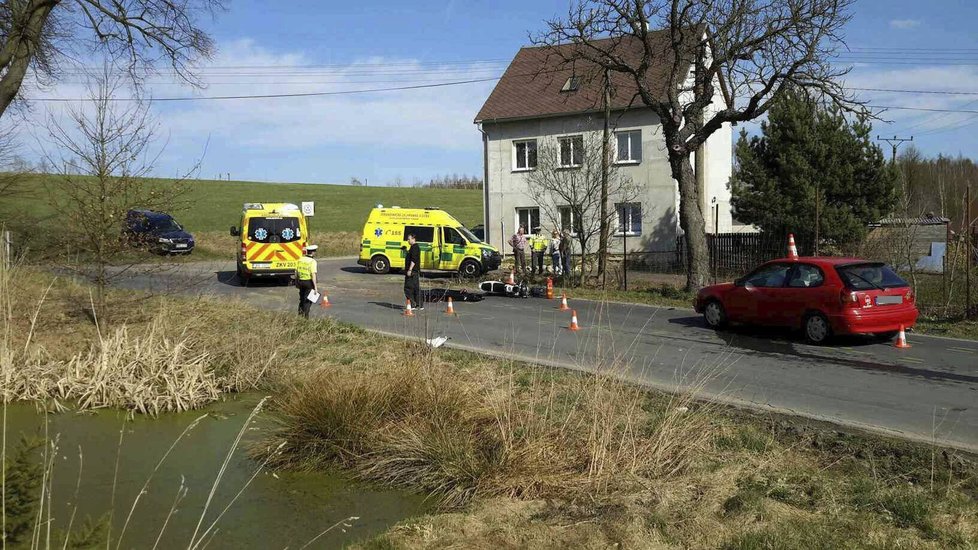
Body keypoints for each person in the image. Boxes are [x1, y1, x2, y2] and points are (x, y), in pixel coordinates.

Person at [294, 244, 319, 318]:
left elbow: (296, 272)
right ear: (313, 252)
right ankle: (305, 318)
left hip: (300, 281)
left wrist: (296, 282)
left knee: (301, 299)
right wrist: (315, 287)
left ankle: (299, 315)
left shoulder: (300, 259)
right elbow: (313, 275)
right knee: (308, 301)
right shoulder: (312, 261)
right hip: (308, 282)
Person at [404, 233, 423, 311]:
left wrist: (410, 269)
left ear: (413, 239)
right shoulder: (413, 247)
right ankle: (419, 304)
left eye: (409, 239)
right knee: (415, 288)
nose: (408, 240)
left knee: (408, 288)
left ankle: (413, 304)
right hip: (414, 271)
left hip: (412, 271)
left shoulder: (415, 248)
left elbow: (413, 260)